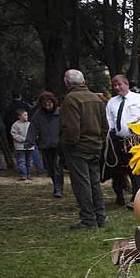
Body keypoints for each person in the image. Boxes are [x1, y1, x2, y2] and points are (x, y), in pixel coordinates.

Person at [60, 69, 107, 230]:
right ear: (84, 81)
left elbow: (72, 129)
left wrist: (69, 145)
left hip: (78, 148)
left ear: (66, 82)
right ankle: (100, 218)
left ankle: (88, 220)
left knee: (82, 184)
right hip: (95, 146)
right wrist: (99, 141)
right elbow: (104, 126)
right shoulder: (96, 98)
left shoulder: (70, 99)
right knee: (94, 183)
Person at [104, 74, 140, 207]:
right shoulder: (112, 102)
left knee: (136, 169)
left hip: (136, 140)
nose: (117, 88)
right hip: (118, 140)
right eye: (115, 86)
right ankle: (119, 195)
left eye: (120, 85)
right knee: (117, 170)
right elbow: (109, 121)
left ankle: (138, 197)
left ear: (127, 84)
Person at [28, 91, 63, 196]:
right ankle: (56, 185)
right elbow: (33, 128)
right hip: (45, 144)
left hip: (58, 145)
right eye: (45, 104)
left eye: (49, 103)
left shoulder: (60, 112)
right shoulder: (38, 114)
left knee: (57, 166)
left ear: (53, 102)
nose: (47, 106)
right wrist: (30, 141)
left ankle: (58, 189)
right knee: (50, 168)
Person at [9, 109, 35, 180]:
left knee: (29, 161)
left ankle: (28, 174)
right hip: (20, 146)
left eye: (27, 115)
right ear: (19, 116)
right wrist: (23, 139)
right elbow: (14, 134)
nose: (27, 116)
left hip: (29, 146)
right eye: (25, 115)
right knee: (21, 161)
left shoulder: (30, 124)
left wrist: (32, 139)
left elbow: (34, 133)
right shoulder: (15, 125)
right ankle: (24, 174)